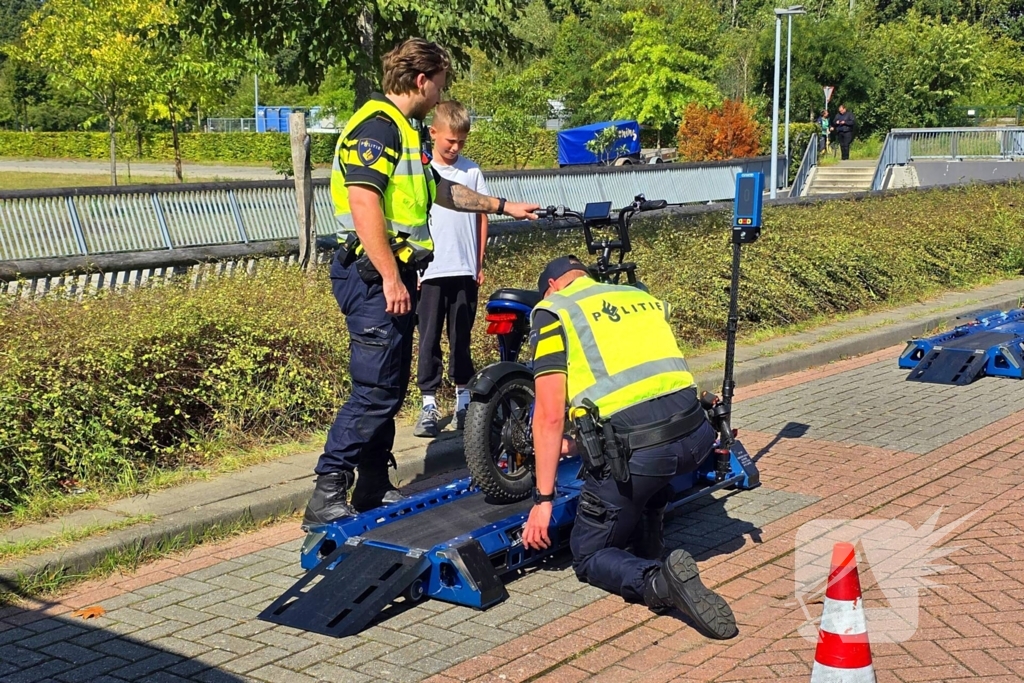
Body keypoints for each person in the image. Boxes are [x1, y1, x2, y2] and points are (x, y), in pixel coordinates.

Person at [303, 39, 539, 526]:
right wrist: (391, 276)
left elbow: (443, 190)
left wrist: (503, 206)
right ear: (421, 80)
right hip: (373, 278)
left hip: (393, 277)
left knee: (388, 384)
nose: (442, 92)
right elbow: (364, 203)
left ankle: (371, 483)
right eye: (441, 83)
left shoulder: (405, 133)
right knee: (373, 390)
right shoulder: (379, 127)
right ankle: (327, 490)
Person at [521, 256, 738, 640]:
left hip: (645, 456)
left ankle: (659, 583)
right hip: (696, 436)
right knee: (647, 470)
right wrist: (580, 445)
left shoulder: (554, 311)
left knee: (588, 554)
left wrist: (543, 500)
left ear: (552, 286)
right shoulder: (636, 295)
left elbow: (549, 417)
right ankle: (651, 538)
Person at [414, 101, 488, 437]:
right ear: (433, 133)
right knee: (428, 338)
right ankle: (428, 402)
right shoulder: (421, 169)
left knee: (461, 337)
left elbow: (482, 214)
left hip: (463, 269)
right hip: (429, 272)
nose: (455, 148)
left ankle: (462, 400)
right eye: (450, 142)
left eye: (461, 142)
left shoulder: (471, 171)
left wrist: (479, 262)